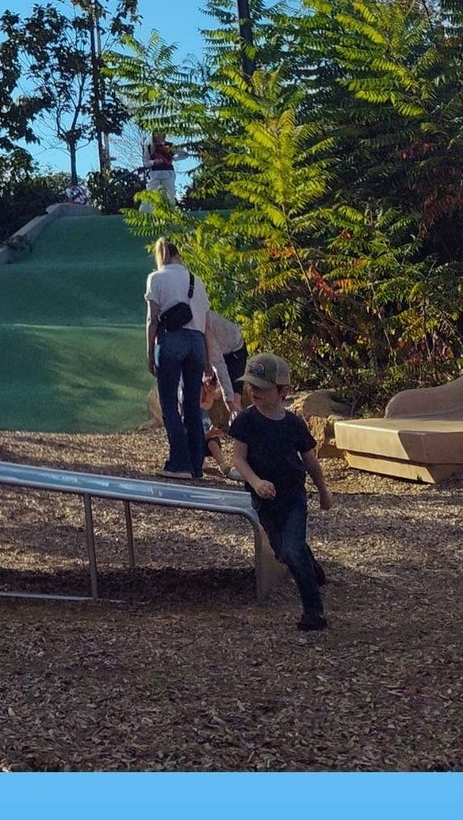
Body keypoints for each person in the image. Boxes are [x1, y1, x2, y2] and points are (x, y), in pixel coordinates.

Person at [228, 352, 333, 631]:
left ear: (282, 391)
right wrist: (256, 482)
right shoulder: (246, 421)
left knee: (292, 548)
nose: (253, 391)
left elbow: (310, 461)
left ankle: (314, 613)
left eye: (262, 387)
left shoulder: (293, 424)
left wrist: (323, 492)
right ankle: (313, 569)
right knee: (284, 553)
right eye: (250, 385)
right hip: (264, 500)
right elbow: (238, 459)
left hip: (293, 496)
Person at [142, 236, 223, 478]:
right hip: (196, 342)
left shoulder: (156, 278)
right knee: (192, 404)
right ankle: (196, 464)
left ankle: (179, 462)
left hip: (171, 340)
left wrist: (149, 351)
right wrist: (209, 361)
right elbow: (207, 326)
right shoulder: (196, 280)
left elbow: (152, 319)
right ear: (179, 255)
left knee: (169, 402)